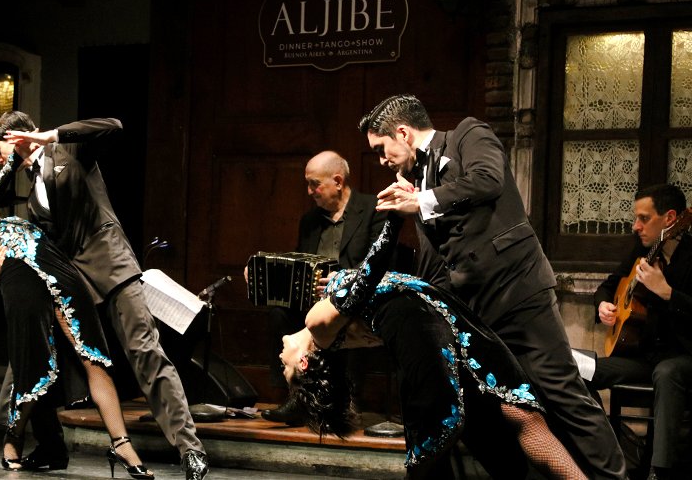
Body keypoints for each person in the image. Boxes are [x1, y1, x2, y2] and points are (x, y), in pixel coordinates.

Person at [359, 93, 626, 479]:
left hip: (518, 293)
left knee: (561, 389)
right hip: (477, 311)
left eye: (380, 149)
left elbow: (487, 180)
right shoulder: (420, 179)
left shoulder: (468, 134)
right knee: (502, 404)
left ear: (402, 133)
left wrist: (422, 201)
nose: (382, 161)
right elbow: (438, 257)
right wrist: (427, 302)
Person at [0, 112, 208, 479]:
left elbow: (114, 126)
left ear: (17, 138)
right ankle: (50, 445)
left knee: (144, 350)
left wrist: (48, 136)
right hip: (73, 277)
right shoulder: (31, 185)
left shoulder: (69, 150)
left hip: (110, 264)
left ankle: (190, 449)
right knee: (34, 349)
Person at [281, 213, 586, 479]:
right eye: (285, 366)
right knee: (519, 416)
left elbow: (368, 291)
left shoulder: (337, 336)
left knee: (515, 416)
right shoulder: (317, 326)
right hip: (434, 316)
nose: (281, 356)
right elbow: (369, 277)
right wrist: (393, 220)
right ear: (304, 363)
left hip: (434, 313)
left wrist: (340, 281)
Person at [0, 152, 153, 478]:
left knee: (93, 356)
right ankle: (12, 439)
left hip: (54, 264)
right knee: (34, 365)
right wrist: (11, 165)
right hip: (21, 276)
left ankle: (122, 444)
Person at [260, 150, 388, 424]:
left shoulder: (373, 209)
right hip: (313, 302)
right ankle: (294, 397)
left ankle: (346, 402)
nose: (309, 191)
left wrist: (343, 279)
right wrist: (263, 271)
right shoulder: (310, 221)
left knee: (343, 319)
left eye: (314, 184)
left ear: (338, 181)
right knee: (279, 314)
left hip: (353, 300)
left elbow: (379, 262)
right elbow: (300, 263)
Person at [590, 183, 692, 480]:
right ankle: (604, 457)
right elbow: (608, 286)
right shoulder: (644, 250)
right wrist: (603, 305)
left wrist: (667, 293)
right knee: (578, 370)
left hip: (683, 356)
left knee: (667, 372)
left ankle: (658, 472)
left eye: (644, 218)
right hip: (644, 356)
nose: (636, 226)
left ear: (670, 218)